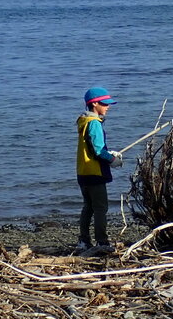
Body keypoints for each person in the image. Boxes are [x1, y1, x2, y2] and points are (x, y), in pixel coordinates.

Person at [75, 86, 123, 251]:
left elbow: (90, 147)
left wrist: (108, 153)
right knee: (101, 208)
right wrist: (112, 159)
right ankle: (102, 242)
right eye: (104, 103)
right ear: (94, 104)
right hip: (94, 172)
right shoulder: (94, 123)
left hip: (83, 172)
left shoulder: (83, 121)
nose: (108, 106)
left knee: (88, 206)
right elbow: (97, 150)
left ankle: (83, 240)